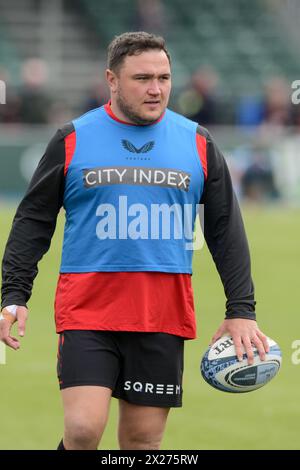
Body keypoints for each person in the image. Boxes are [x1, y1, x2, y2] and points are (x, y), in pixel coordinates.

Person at [0, 31, 269, 451]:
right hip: (88, 311)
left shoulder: (197, 142)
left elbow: (224, 228)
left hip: (161, 314)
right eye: (142, 78)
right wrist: (14, 293)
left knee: (142, 442)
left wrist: (242, 310)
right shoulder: (72, 139)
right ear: (111, 79)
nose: (156, 88)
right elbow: (33, 220)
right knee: (84, 429)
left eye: (164, 77)